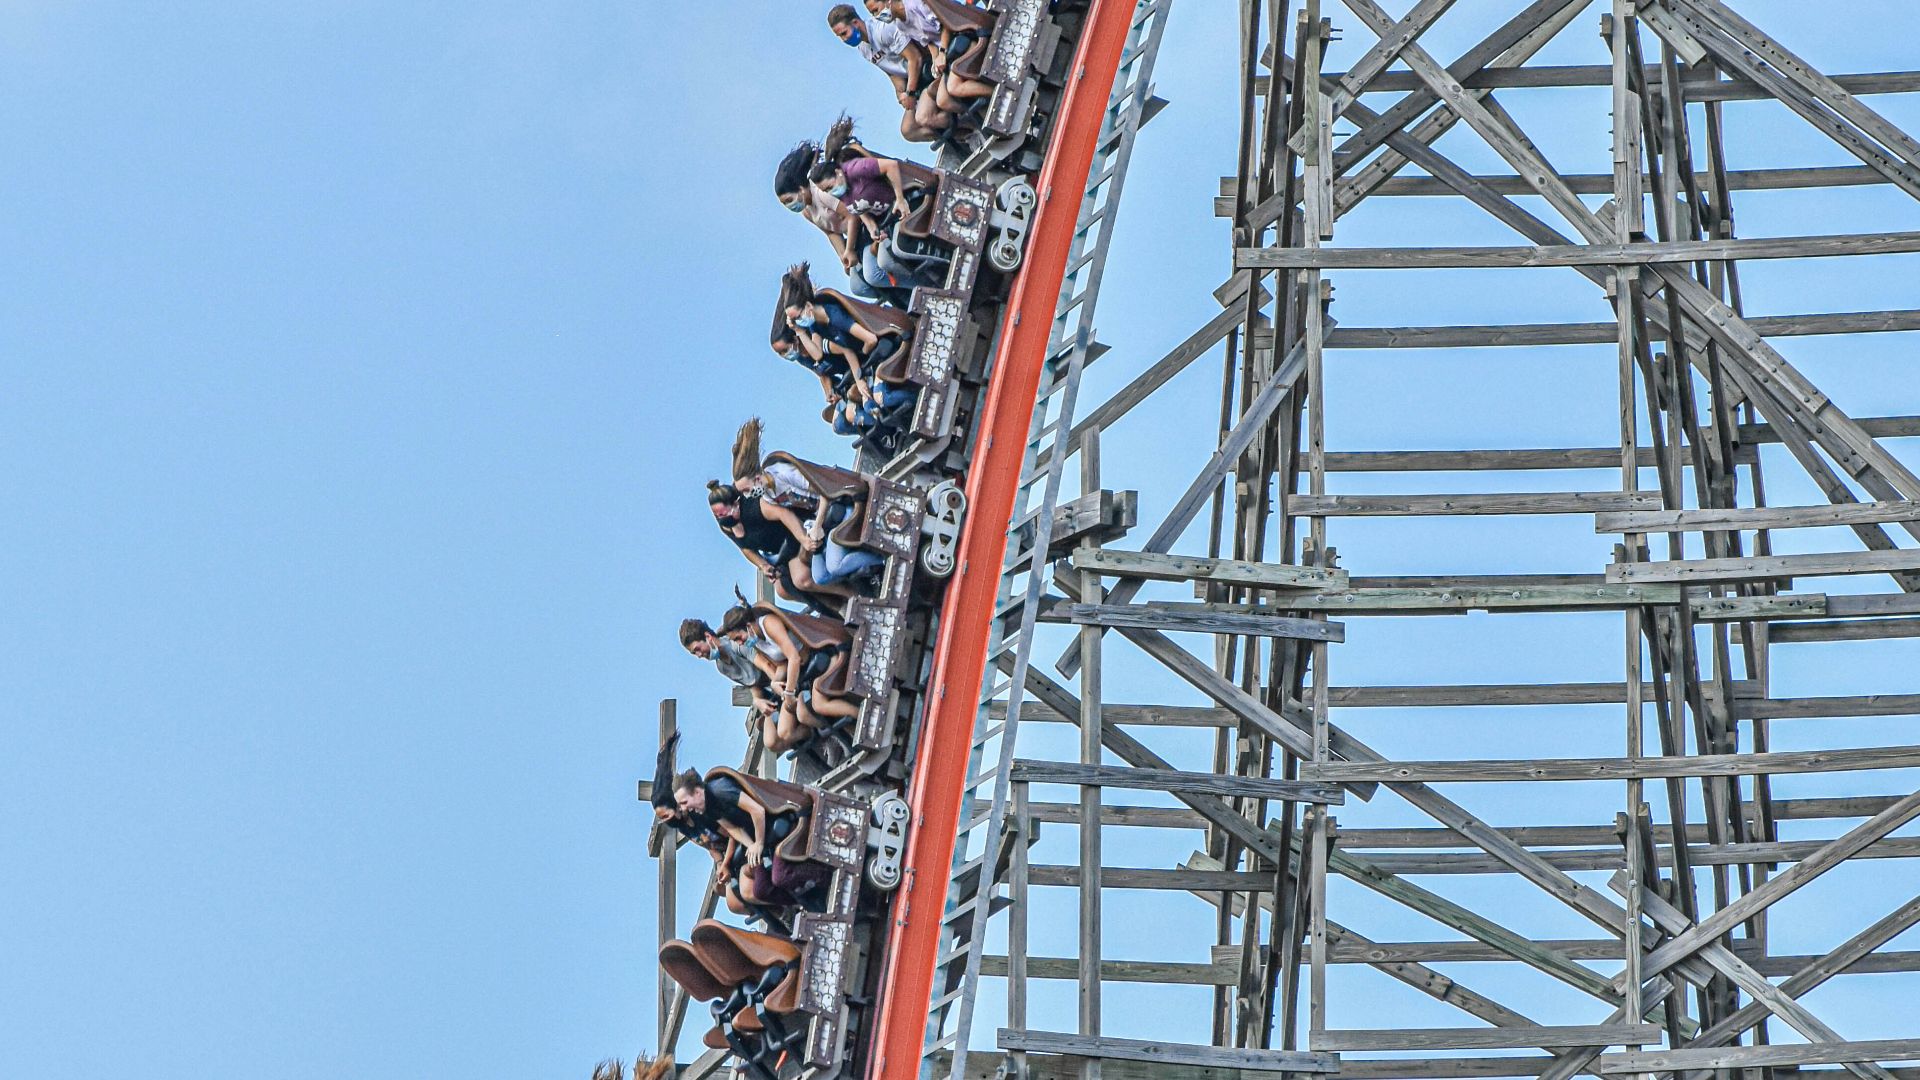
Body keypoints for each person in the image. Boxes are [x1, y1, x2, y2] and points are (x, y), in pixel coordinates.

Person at [673, 768, 830, 909]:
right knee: (761, 890)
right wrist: (751, 846)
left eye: (685, 802)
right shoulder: (708, 809)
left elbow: (757, 811)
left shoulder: (721, 790)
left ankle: (828, 877)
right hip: (765, 839)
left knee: (780, 876)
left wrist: (759, 843)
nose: (685, 809)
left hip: (782, 823)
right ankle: (809, 902)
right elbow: (732, 828)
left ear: (698, 792)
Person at [826, 3, 945, 142]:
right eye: (840, 37)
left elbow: (915, 59)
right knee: (909, 130)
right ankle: (956, 136)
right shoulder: (863, 49)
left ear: (855, 23)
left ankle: (968, 128)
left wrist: (911, 93)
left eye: (844, 33)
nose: (844, 39)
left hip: (925, 71)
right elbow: (892, 73)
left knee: (924, 117)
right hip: (912, 84)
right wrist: (901, 93)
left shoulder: (882, 30)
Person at [863, 0, 996, 119]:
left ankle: (999, 94)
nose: (877, 16)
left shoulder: (915, 4)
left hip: (961, 39)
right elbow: (928, 40)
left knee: (955, 87)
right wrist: (935, 58)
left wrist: (942, 52)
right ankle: (979, 118)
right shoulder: (901, 25)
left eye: (876, 10)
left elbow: (946, 23)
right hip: (949, 55)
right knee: (943, 101)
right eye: (873, 14)